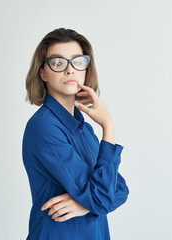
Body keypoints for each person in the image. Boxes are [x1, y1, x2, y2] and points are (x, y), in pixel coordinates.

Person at [22, 27, 130, 240]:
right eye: (58, 62)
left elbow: (120, 189)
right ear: (43, 72)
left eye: (77, 61)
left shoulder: (84, 128)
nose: (70, 70)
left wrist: (84, 204)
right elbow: (101, 198)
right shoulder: (44, 128)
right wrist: (108, 126)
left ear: (86, 68)